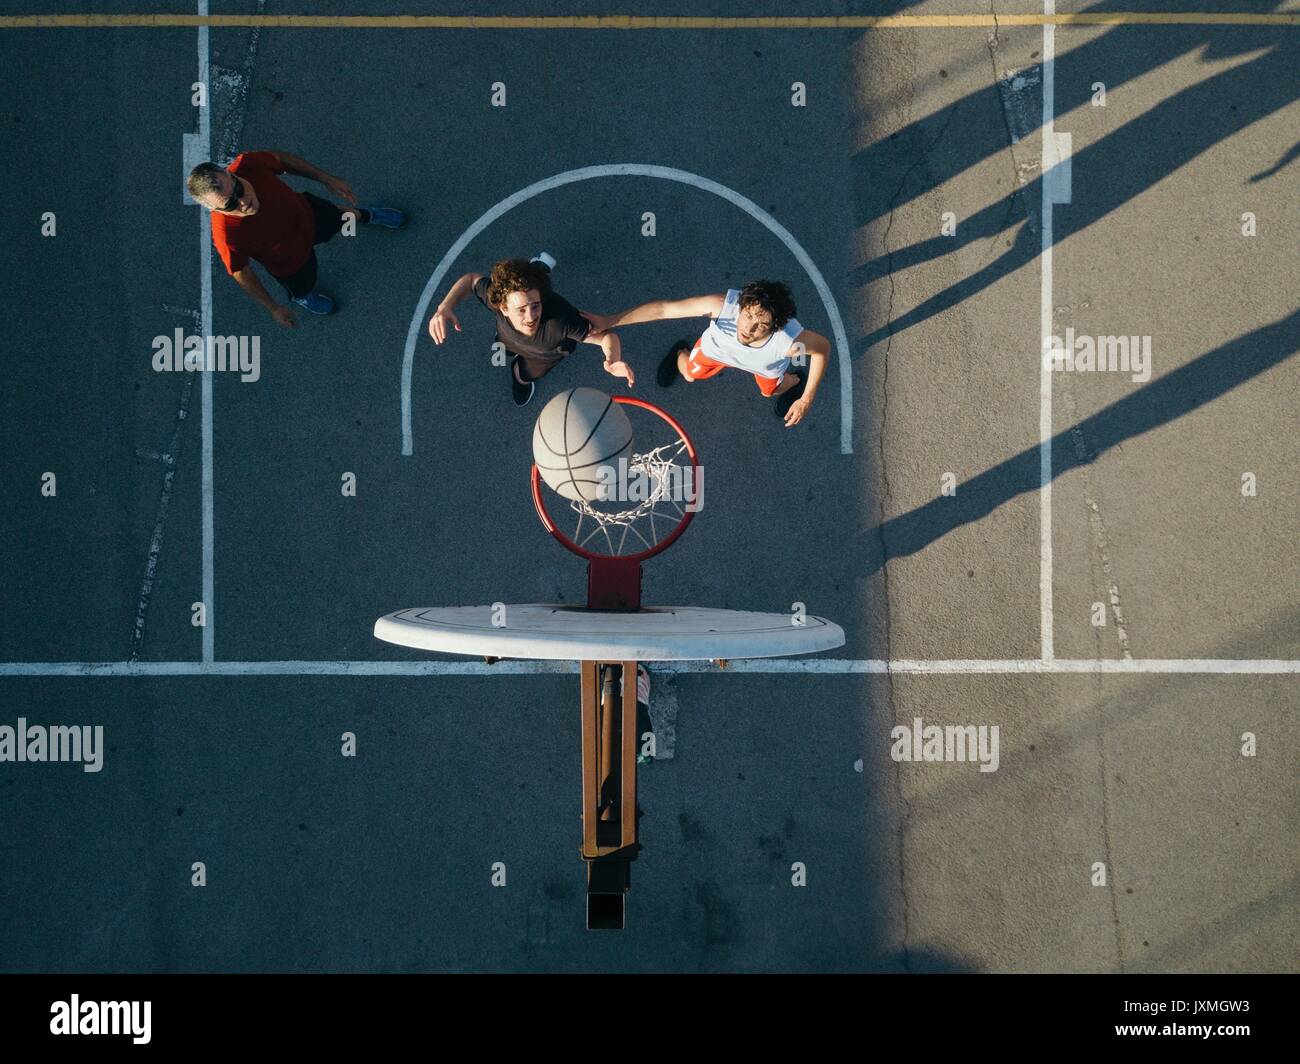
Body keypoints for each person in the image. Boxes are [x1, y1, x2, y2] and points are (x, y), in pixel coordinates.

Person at [187, 151, 405, 327]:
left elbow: (281, 161)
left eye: (239, 189)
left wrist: (325, 178)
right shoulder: (227, 236)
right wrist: (273, 307)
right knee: (303, 285)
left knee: (343, 216)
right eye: (230, 205)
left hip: (308, 215)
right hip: (292, 263)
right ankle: (303, 296)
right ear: (214, 210)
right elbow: (240, 272)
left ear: (231, 174)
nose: (243, 202)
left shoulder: (249, 164)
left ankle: (368, 216)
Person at [584, 280, 828, 427]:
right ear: (742, 305)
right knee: (690, 373)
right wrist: (611, 320)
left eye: (761, 325)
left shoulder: (788, 340)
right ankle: (680, 351)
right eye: (748, 315)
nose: (748, 328)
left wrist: (805, 399)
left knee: (771, 391)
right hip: (716, 353)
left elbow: (822, 349)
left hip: (762, 365)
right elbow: (662, 310)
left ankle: (796, 380)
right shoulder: (722, 306)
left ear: (775, 327)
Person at [427, 255, 634, 406]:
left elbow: (606, 335)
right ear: (503, 308)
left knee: (522, 375)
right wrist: (444, 307)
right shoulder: (497, 297)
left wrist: (613, 358)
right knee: (504, 343)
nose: (531, 317)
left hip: (543, 356)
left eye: (536, 305)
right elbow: (472, 280)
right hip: (508, 338)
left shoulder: (561, 321)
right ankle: (536, 268)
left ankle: (537, 269)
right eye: (521, 310)